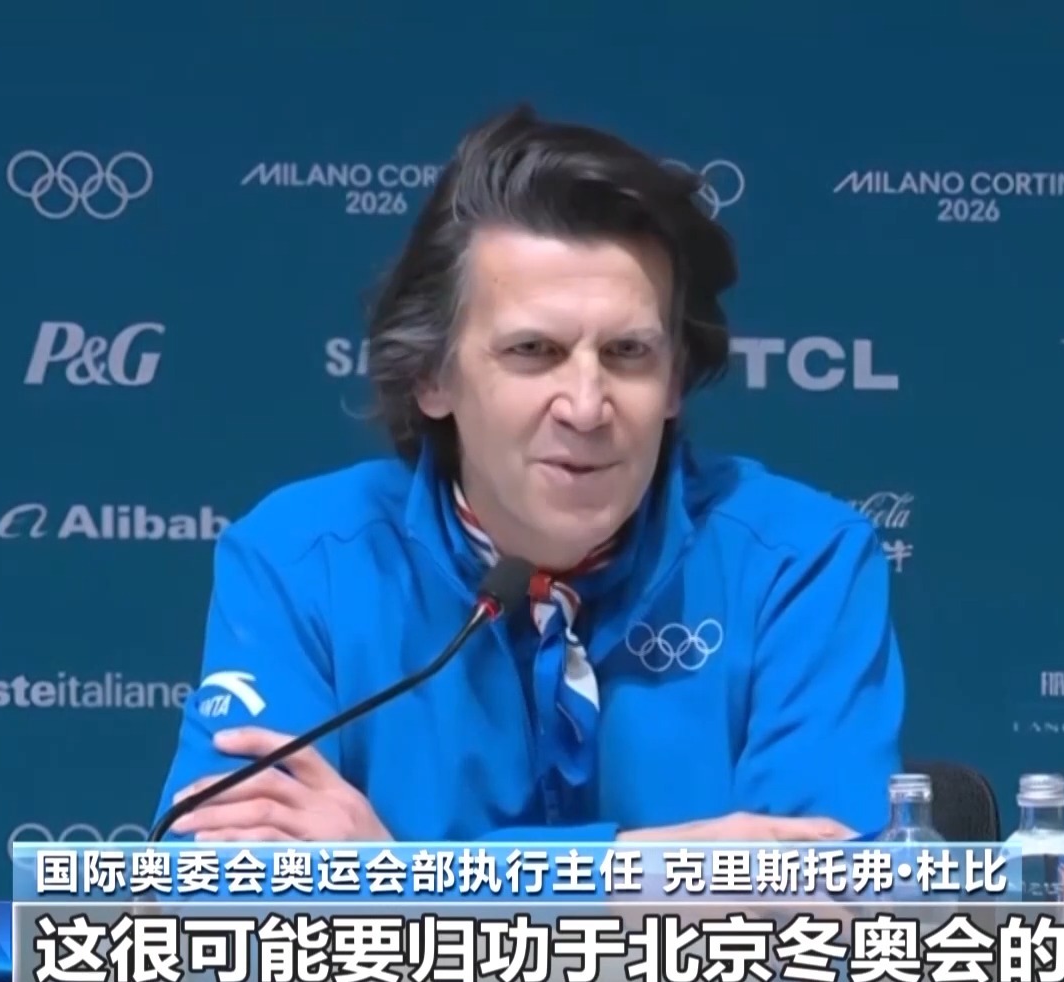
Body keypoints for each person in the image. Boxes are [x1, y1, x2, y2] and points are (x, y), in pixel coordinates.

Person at [153, 104, 906, 843]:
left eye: (628, 354)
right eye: (533, 352)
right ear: (431, 376)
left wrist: (398, 884)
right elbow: (214, 884)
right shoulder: (300, 560)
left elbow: (820, 895)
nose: (586, 406)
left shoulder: (799, 561)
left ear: (675, 380)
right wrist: (634, 876)